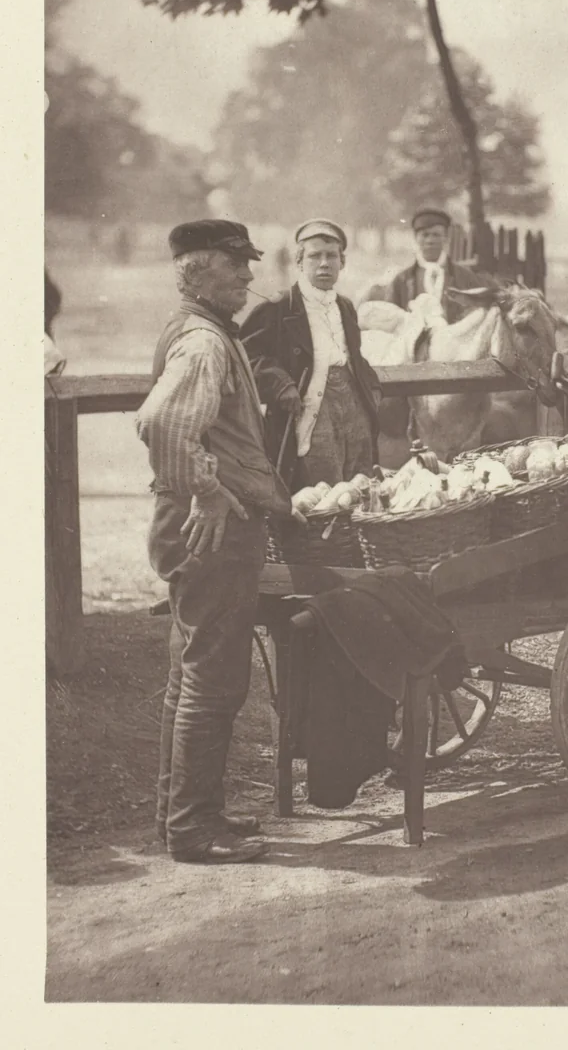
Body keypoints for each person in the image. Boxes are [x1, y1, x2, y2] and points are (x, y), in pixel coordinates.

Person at [136, 219, 300, 864]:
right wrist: (205, 491)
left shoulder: (198, 330)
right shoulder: (204, 342)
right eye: (237, 264)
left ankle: (180, 817)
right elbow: (163, 423)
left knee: (189, 675)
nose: (249, 275)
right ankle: (193, 831)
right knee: (214, 680)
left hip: (197, 531)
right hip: (212, 531)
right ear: (199, 269)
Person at [241, 218, 381, 490]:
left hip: (353, 409)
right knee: (320, 492)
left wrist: (372, 387)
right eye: (315, 256)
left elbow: (353, 356)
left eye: (332, 256)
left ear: (343, 262)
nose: (324, 263)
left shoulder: (345, 307)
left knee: (358, 484)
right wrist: (280, 383)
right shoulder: (280, 306)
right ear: (299, 262)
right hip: (308, 411)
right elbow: (245, 354)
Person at [362, 207, 482, 323]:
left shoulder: (465, 277)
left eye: (436, 235)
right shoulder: (401, 280)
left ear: (446, 238)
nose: (430, 240)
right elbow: (390, 318)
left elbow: (477, 315)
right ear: (416, 238)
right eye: (425, 235)